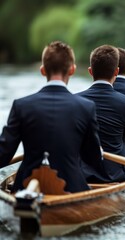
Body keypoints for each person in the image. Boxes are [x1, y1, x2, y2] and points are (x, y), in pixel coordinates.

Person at [0, 41, 103, 193]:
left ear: (42, 70)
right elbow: (92, 159)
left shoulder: (21, 105)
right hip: (72, 187)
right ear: (72, 70)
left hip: (25, 186)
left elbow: (4, 153)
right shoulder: (86, 107)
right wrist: (98, 151)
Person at [77, 45, 125, 182]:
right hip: (115, 172)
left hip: (82, 170)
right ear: (116, 71)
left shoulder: (75, 101)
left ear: (90, 71)